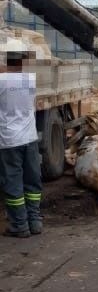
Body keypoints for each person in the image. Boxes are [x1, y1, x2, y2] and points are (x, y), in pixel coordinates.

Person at [0, 38, 42, 238]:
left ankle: (19, 225)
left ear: (7, 59)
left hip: (9, 141)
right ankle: (35, 222)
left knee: (13, 182)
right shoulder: (30, 80)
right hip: (30, 138)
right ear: (22, 60)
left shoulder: (1, 81)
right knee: (32, 181)